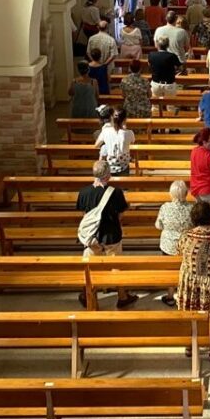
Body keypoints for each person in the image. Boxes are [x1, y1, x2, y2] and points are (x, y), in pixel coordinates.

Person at [76, 160, 137, 308]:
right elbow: (121, 215)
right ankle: (122, 297)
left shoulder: (84, 192)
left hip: (92, 236)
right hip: (111, 235)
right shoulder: (116, 193)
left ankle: (89, 296)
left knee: (91, 267)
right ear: (108, 175)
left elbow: (84, 214)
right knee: (116, 265)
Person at [177, 201, 210, 362]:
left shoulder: (186, 235)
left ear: (193, 218)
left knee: (190, 312)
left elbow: (178, 250)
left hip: (190, 280)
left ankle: (189, 346)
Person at [155, 180, 192, 306]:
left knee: (170, 270)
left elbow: (158, 226)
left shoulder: (165, 207)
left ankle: (170, 296)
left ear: (171, 193)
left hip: (168, 245)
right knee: (186, 269)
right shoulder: (191, 208)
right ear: (186, 193)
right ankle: (185, 295)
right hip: (185, 245)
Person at [94, 107, 135, 176]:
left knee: (111, 186)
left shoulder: (106, 131)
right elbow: (132, 142)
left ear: (112, 118)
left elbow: (96, 145)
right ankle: (124, 186)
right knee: (123, 185)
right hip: (124, 166)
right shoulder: (130, 133)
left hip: (110, 166)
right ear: (125, 120)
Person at [148, 36, 183, 101]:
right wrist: (175, 72)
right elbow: (181, 68)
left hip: (156, 83)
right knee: (171, 106)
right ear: (168, 45)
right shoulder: (172, 56)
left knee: (155, 106)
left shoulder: (151, 55)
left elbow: (149, 66)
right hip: (169, 84)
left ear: (158, 45)